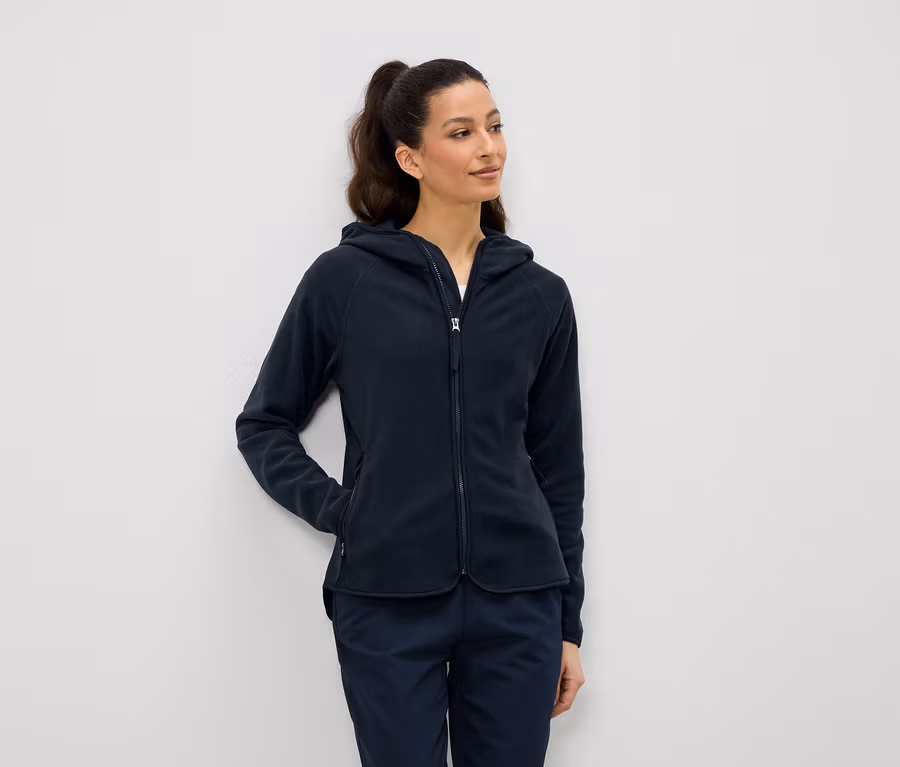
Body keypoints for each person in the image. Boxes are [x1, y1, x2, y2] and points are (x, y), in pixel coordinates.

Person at [235, 57, 586, 766]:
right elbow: (264, 423)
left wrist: (567, 622)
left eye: (494, 126)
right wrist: (345, 511)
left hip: (519, 600)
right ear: (410, 158)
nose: (488, 147)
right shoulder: (346, 281)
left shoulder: (540, 295)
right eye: (461, 132)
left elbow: (559, 470)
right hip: (386, 596)